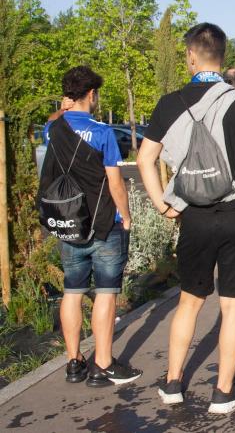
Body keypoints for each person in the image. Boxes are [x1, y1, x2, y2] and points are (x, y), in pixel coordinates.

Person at [138, 23, 235, 413]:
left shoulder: (169, 103)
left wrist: (163, 204)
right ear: (223, 58)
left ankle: (174, 382)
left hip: (192, 215)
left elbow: (145, 159)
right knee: (232, 305)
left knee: (189, 301)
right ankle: (223, 392)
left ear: (190, 56)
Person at [40, 66, 141, 388]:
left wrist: (64, 106)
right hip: (103, 223)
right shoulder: (102, 132)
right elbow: (115, 181)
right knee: (106, 294)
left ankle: (73, 361)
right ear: (92, 95)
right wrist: (125, 215)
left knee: (72, 291)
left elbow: (56, 120)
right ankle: (103, 363)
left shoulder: (51, 129)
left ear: (67, 94)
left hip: (69, 222)